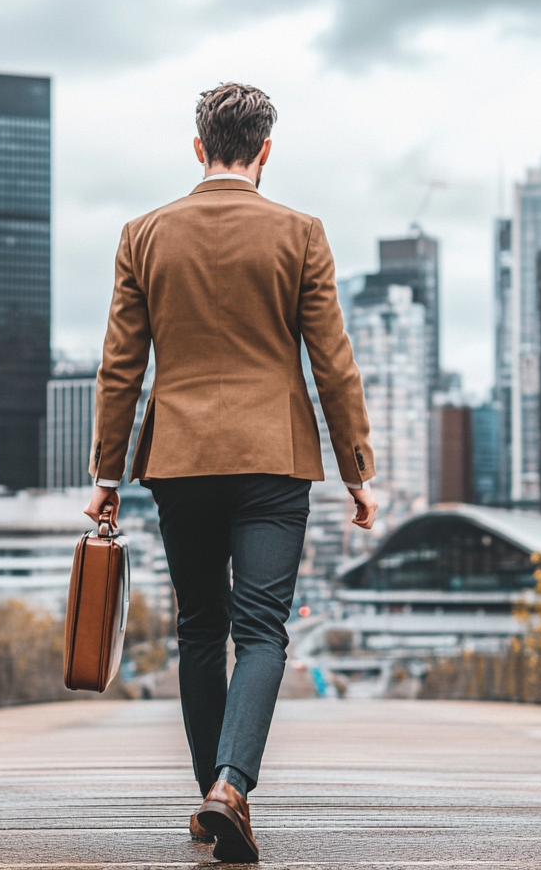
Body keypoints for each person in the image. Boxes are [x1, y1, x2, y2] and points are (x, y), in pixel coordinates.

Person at [84, 82, 377, 864]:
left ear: (198, 147)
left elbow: (121, 368)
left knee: (200, 628)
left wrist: (107, 472)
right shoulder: (300, 233)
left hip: (177, 460)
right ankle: (230, 787)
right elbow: (333, 364)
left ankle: (213, 793)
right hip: (274, 460)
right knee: (260, 629)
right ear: (266, 152)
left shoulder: (143, 233)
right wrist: (357, 470)